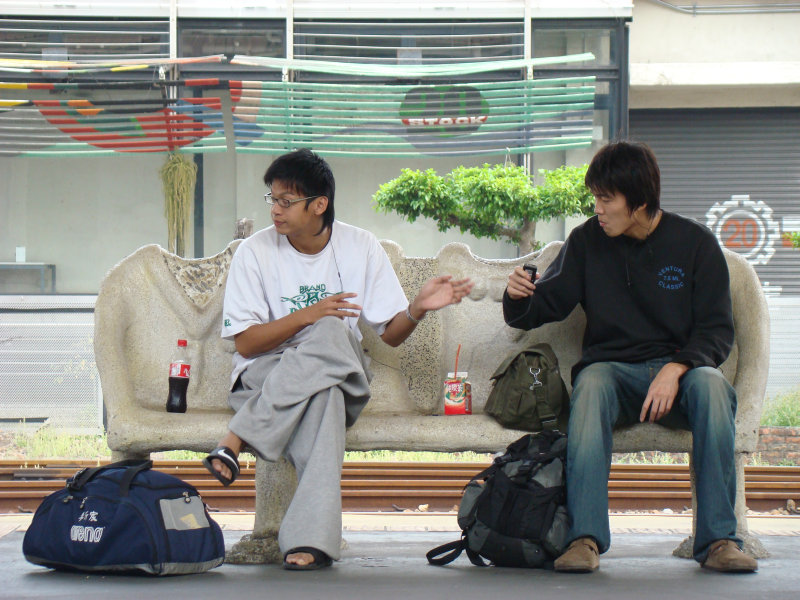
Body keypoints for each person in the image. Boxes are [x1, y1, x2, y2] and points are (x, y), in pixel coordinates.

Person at [203, 148, 473, 570]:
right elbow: (247, 345)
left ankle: (237, 438)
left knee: (332, 330)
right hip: (266, 375)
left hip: (335, 370)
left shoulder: (360, 246)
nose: (275, 210)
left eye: (285, 201)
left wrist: (417, 308)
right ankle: (308, 543)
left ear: (319, 204)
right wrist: (309, 314)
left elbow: (391, 335)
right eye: (271, 198)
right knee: (323, 393)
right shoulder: (253, 252)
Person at [503, 141, 757, 574]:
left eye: (606, 198)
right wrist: (517, 296)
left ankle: (718, 541)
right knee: (592, 383)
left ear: (638, 201)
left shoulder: (695, 243)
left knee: (714, 387)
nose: (598, 208)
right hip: (614, 374)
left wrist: (678, 368)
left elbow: (717, 330)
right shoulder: (587, 240)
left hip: (682, 376)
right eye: (595, 198)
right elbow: (548, 303)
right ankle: (584, 539)